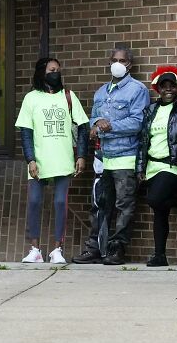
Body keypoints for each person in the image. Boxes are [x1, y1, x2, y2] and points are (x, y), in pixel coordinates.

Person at [72, 46, 149, 265]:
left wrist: (109, 126)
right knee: (99, 205)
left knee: (124, 206)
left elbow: (138, 122)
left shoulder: (137, 90)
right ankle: (95, 247)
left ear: (130, 65)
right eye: (114, 60)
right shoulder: (100, 91)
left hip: (125, 156)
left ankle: (117, 249)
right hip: (102, 157)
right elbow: (92, 119)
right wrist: (95, 123)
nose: (117, 64)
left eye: (122, 61)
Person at [16, 57, 89, 264]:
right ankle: (35, 249)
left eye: (57, 70)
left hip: (63, 160)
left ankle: (57, 249)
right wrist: (30, 159)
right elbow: (26, 132)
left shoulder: (68, 96)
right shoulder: (31, 98)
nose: (55, 73)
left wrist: (81, 155)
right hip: (38, 161)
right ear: (41, 73)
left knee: (60, 202)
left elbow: (83, 127)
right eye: (51, 70)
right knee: (34, 202)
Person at [138, 66, 177, 267]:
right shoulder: (150, 110)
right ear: (158, 89)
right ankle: (160, 255)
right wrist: (140, 168)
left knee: (154, 199)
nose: (168, 89)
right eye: (164, 86)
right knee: (159, 210)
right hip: (152, 165)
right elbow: (143, 141)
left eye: (172, 86)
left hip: (173, 165)